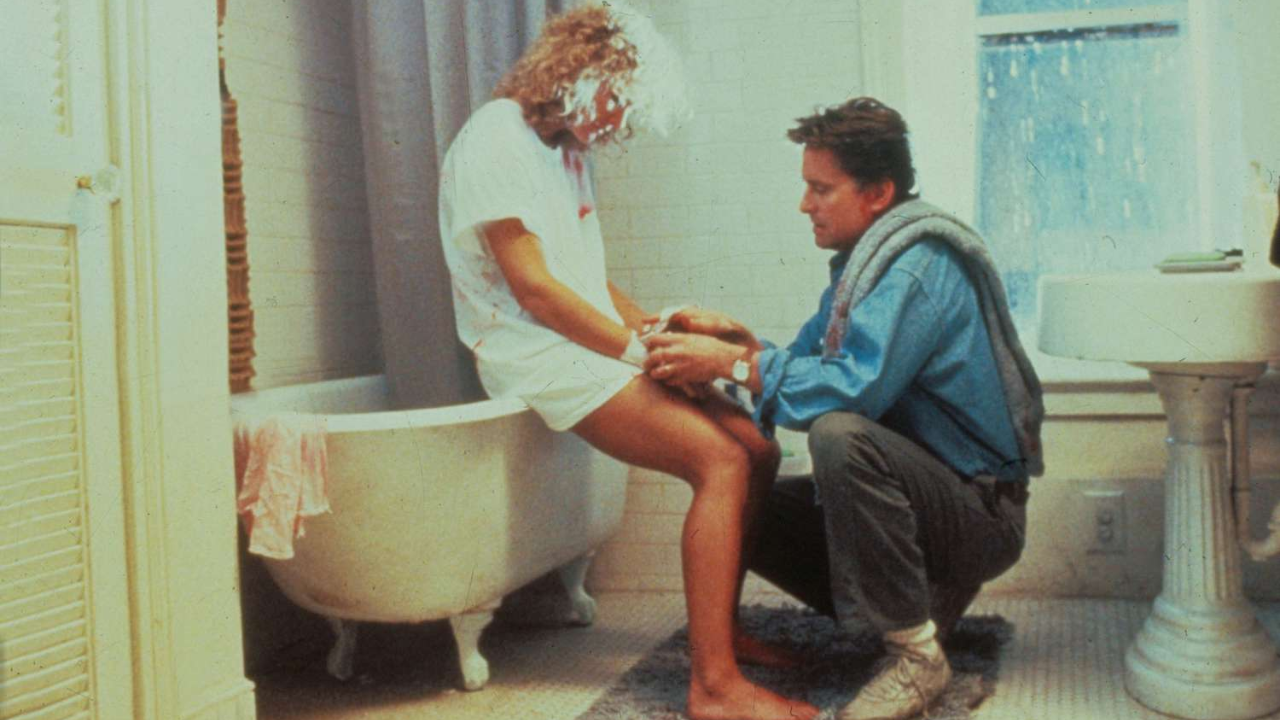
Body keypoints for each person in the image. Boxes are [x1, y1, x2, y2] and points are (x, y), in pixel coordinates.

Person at [436, 5, 819, 720]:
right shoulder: (495, 138)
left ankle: (722, 632)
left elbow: (586, 279)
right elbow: (536, 291)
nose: (621, 124)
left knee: (758, 448)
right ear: (582, 75)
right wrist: (638, 352)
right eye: (619, 102)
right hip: (533, 352)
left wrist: (655, 330)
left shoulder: (566, 153)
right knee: (720, 461)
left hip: (579, 341)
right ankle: (713, 687)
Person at [644, 96, 1044, 720]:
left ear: (878, 192)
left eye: (820, 189)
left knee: (839, 433)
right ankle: (918, 606)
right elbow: (806, 360)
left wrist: (731, 365)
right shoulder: (865, 267)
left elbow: (852, 389)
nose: (805, 205)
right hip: (925, 504)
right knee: (747, 491)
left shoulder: (915, 269)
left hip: (977, 515)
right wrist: (735, 343)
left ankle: (916, 656)